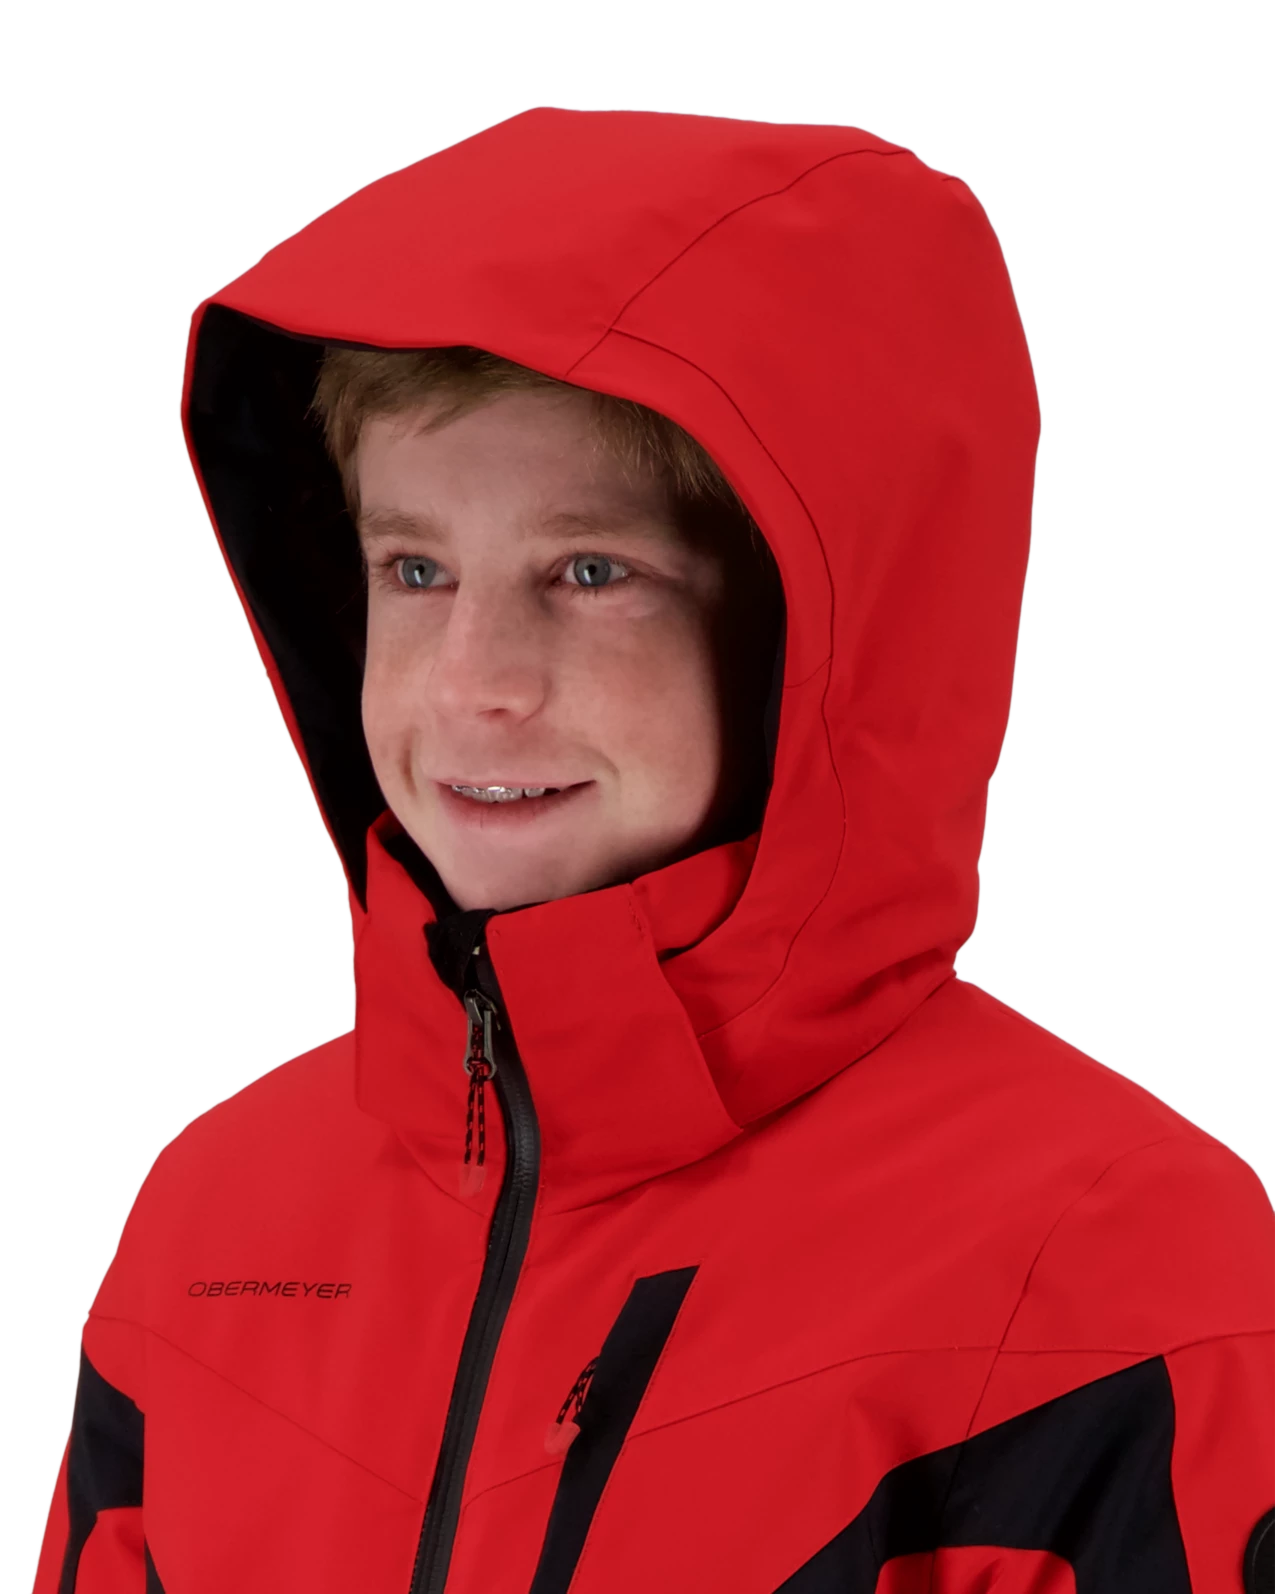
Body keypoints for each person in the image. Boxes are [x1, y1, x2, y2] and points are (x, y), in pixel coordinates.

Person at [37, 108, 1274, 1594]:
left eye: (589, 570)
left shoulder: (1104, 1259)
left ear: (811, 633)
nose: (473, 683)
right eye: (415, 568)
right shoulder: (219, 1213)